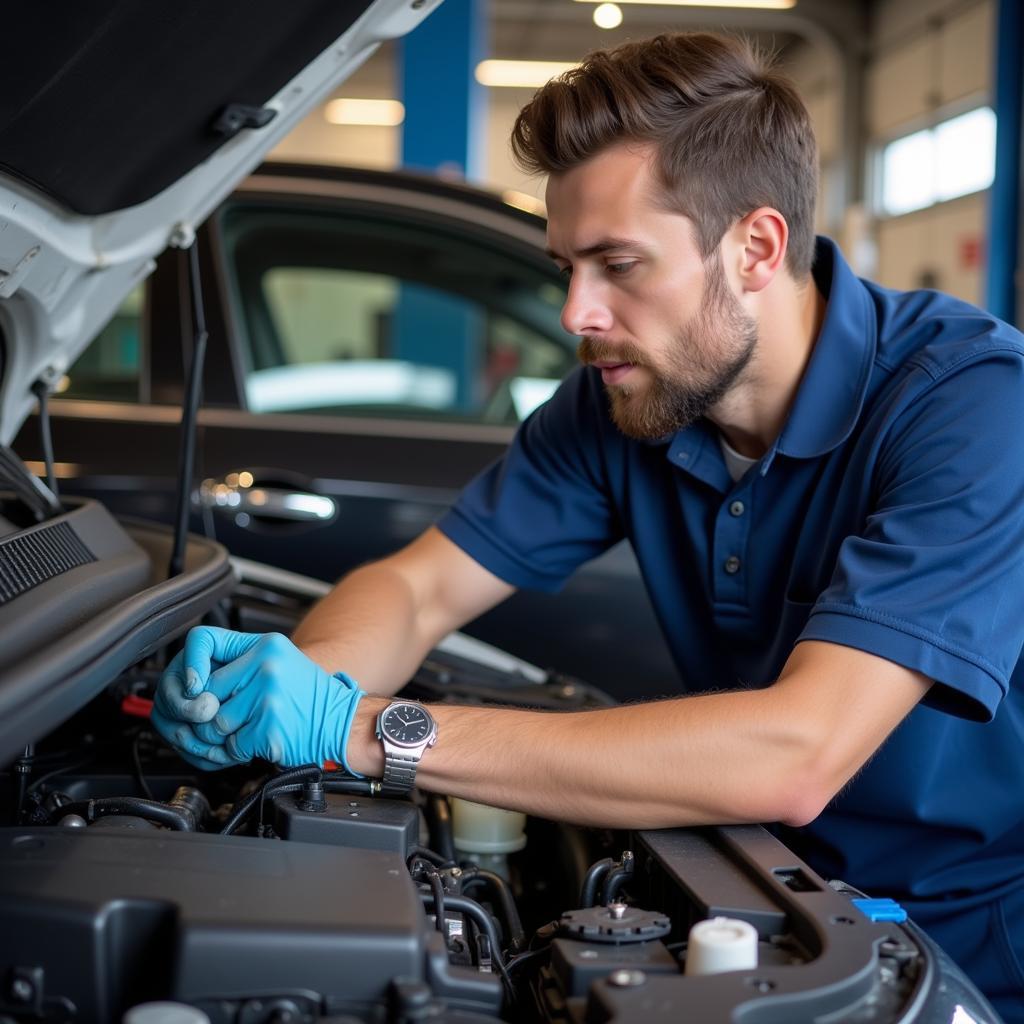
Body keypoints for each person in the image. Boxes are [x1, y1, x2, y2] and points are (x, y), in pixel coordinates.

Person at [152, 33, 1024, 1018]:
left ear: (756, 247)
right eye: (566, 265)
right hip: (750, 882)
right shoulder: (620, 405)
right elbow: (416, 586)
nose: (576, 311)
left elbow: (797, 752)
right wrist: (303, 693)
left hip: (967, 944)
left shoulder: (972, 404)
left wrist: (365, 732)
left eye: (617, 264)